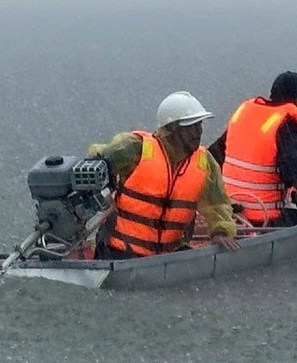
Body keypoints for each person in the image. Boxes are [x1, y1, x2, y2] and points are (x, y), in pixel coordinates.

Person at [89, 91, 242, 259]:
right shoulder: (135, 148)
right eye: (191, 127)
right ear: (171, 130)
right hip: (118, 253)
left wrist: (220, 231)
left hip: (168, 258)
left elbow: (217, 204)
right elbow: (94, 165)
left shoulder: (203, 162)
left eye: (199, 125)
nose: (198, 132)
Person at [208, 71, 297, 226]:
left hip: (231, 211)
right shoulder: (289, 123)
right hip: (265, 219)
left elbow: (213, 156)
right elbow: (294, 173)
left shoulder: (246, 114)